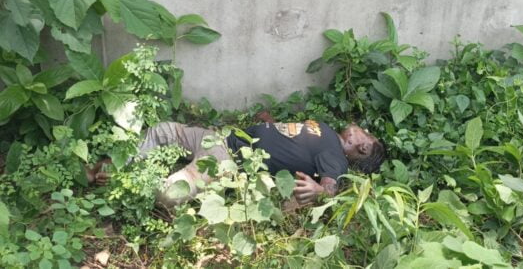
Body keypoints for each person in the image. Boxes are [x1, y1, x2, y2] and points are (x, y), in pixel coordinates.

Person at [88, 112, 385, 208]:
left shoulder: (336, 158)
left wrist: (320, 191)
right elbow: (292, 138)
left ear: (362, 148)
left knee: (171, 191)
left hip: (227, 159)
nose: (362, 130)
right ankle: (115, 166)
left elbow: (331, 187)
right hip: (219, 138)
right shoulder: (326, 129)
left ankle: (122, 183)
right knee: (163, 131)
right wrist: (270, 123)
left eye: (367, 135)